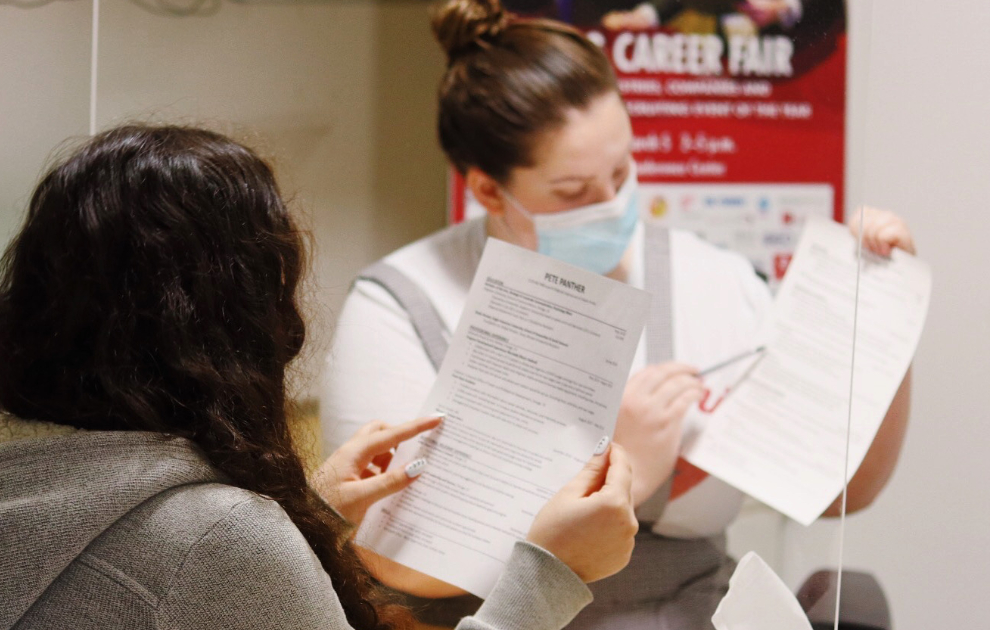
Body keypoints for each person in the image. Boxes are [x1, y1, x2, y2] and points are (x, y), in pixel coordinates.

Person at [0, 125, 641, 630]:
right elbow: (174, 571)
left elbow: (101, 578)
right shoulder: (218, 545)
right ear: (236, 327)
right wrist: (548, 572)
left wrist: (308, 515)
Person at [319, 0, 916, 628]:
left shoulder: (711, 280)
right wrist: (620, 471)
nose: (611, 206)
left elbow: (845, 491)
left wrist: (883, 311)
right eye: (573, 193)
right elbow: (391, 564)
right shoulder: (400, 305)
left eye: (622, 172)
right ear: (489, 189)